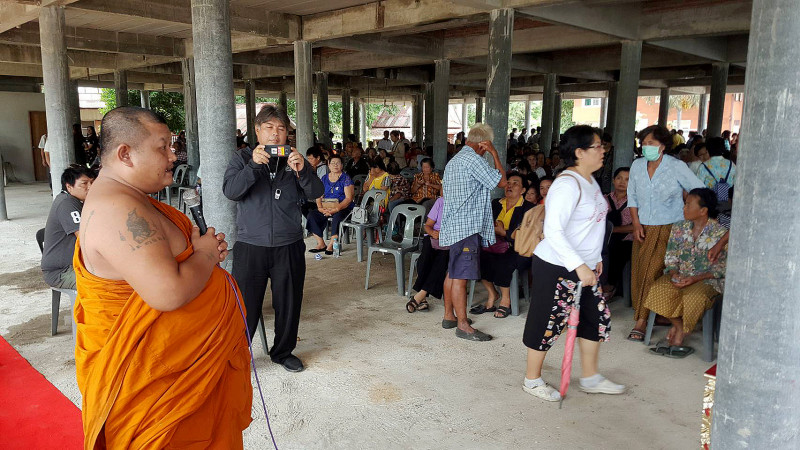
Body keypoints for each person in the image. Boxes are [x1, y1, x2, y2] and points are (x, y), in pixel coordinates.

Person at [73, 107, 252, 447]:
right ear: (125, 153)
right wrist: (204, 254)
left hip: (184, 367)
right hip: (158, 387)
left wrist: (200, 254)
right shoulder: (117, 209)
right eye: (162, 147)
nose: (173, 155)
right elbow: (167, 292)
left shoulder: (132, 198)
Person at [522, 125, 624, 402]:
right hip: (557, 265)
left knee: (594, 319)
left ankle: (590, 377)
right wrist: (578, 265)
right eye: (598, 146)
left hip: (587, 267)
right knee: (547, 321)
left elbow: (594, 226)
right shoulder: (567, 184)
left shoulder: (590, 180)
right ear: (579, 152)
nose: (604, 151)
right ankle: (532, 380)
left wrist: (596, 258)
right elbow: (554, 231)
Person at [223, 104, 324, 373]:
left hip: (288, 244)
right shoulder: (242, 159)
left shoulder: (294, 160)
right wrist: (254, 166)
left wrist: (303, 171)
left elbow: (315, 193)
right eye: (269, 128)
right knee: (245, 305)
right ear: (257, 131)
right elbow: (231, 191)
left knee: (288, 302)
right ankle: (237, 353)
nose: (275, 134)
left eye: (281, 129)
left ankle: (283, 352)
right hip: (250, 244)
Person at [626, 125, 704, 342]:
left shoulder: (676, 166)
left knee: (654, 272)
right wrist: (635, 223)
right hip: (643, 226)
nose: (646, 147)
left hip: (670, 226)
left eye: (650, 143)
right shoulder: (637, 165)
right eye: (643, 143)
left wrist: (688, 210)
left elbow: (698, 189)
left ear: (662, 145)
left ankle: (641, 320)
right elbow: (632, 195)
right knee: (641, 272)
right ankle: (655, 313)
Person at [439, 123, 507, 341]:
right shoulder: (474, 160)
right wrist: (495, 154)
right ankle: (462, 325)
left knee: (452, 272)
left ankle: (449, 316)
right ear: (483, 145)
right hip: (466, 226)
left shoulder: (455, 160)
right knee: (461, 277)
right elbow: (502, 182)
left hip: (453, 225)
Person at [645, 188, 727, 357]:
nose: (684, 208)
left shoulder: (720, 233)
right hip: (680, 276)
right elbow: (671, 258)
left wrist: (695, 278)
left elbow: (721, 269)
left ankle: (682, 333)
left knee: (693, 297)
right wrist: (674, 273)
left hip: (707, 280)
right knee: (657, 289)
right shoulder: (679, 228)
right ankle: (679, 327)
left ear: (703, 210)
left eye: (688, 205)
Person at [469, 174, 534, 318]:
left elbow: (527, 235)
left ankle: (506, 300)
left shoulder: (529, 209)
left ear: (523, 190)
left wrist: (504, 232)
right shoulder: (496, 203)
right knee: (475, 258)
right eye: (508, 183)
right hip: (494, 245)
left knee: (505, 261)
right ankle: (492, 293)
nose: (509, 185)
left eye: (515, 183)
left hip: (519, 248)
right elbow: (483, 222)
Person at [41, 165, 95, 290]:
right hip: (61, 272)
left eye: (92, 182)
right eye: (84, 184)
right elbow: (85, 239)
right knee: (102, 285)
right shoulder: (67, 203)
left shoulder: (77, 200)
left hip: (74, 265)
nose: (90, 187)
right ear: (69, 187)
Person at [407, 196, 449, 313]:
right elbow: (427, 225)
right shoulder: (440, 201)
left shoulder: (461, 203)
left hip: (449, 241)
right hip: (433, 237)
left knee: (441, 261)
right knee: (424, 259)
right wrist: (433, 233)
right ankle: (422, 297)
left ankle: (419, 296)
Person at [306, 155, 354, 255]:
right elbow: (319, 195)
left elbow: (348, 199)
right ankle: (321, 243)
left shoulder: (346, 178)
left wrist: (336, 209)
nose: (335, 165)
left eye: (338, 163)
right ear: (328, 164)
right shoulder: (324, 178)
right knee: (312, 215)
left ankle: (332, 245)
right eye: (333, 163)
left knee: (338, 217)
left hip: (342, 207)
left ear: (342, 165)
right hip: (326, 207)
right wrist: (320, 208)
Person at [603, 167, 633, 299]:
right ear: (614, 180)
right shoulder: (603, 199)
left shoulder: (635, 202)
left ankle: (609, 285)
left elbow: (636, 227)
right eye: (619, 178)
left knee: (616, 250)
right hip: (605, 238)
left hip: (627, 240)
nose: (622, 182)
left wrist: (613, 230)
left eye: (627, 179)